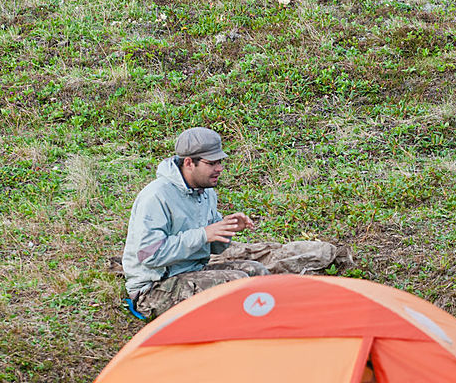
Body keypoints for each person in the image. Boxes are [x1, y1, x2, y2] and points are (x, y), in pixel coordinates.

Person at [122, 127, 351, 319]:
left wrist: (226, 229)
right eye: (212, 163)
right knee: (238, 285)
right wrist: (204, 234)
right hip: (155, 288)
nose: (219, 168)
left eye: (220, 161)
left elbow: (212, 247)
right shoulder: (156, 196)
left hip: (192, 270)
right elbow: (148, 255)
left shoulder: (205, 191)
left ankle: (285, 317)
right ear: (189, 163)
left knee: (258, 272)